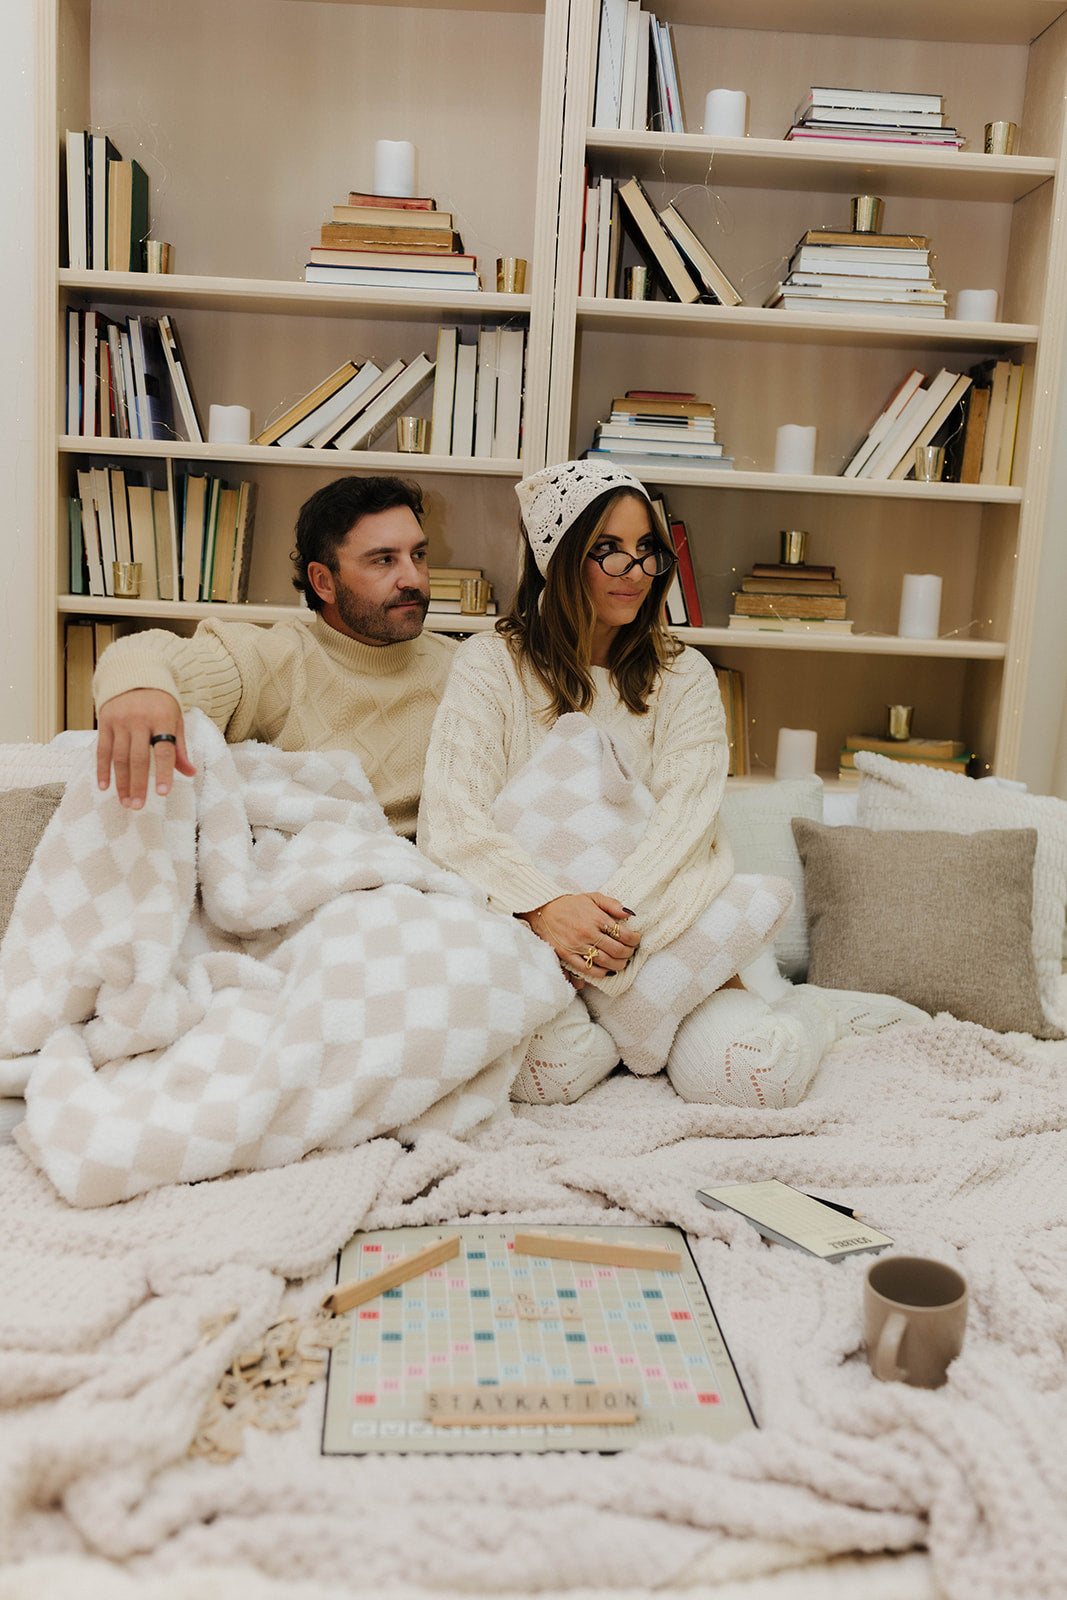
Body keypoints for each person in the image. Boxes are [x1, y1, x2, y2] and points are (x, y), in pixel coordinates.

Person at [418, 458, 926, 1108]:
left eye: (646, 551)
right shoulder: (489, 664)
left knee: (753, 1078)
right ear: (558, 558)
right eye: (608, 549)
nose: (635, 571)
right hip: (534, 939)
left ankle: (815, 1014)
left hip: (674, 937)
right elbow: (453, 824)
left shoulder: (684, 677)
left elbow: (685, 830)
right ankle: (624, 1041)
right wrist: (544, 910)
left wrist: (610, 939)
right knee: (540, 1076)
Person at [93, 475, 456, 838]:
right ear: (323, 582)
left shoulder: (464, 669)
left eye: (418, 555)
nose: (413, 578)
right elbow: (147, 655)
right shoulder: (273, 658)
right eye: (384, 560)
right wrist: (140, 686)